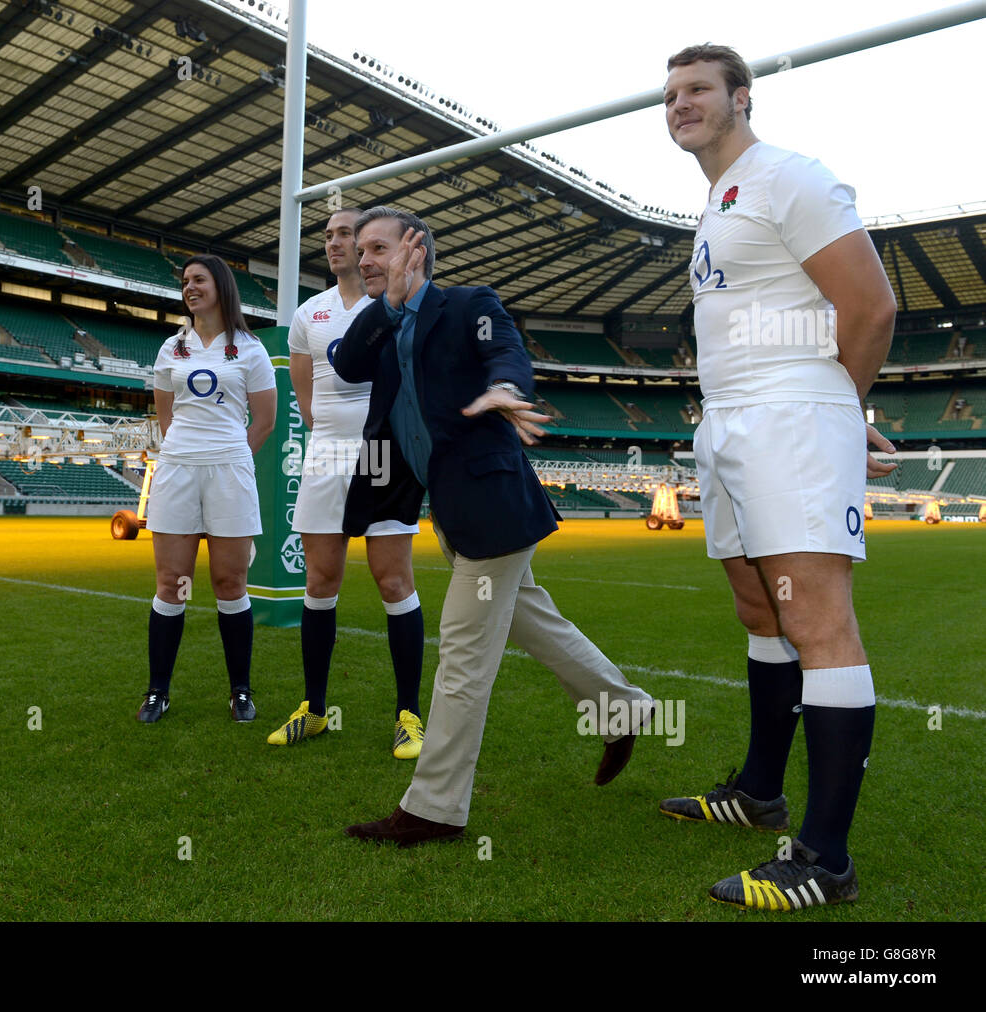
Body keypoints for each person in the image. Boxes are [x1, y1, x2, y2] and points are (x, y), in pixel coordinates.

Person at [660, 44, 897, 909]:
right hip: (728, 419)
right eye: (671, 94)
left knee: (818, 621)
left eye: (697, 90)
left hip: (789, 415)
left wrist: (835, 415)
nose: (679, 104)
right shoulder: (716, 200)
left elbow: (870, 307)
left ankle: (825, 860)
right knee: (759, 606)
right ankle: (760, 792)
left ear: (741, 97)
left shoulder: (789, 176)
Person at [335, 206, 654, 847]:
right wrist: (390, 306)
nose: (361, 258)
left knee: (462, 653)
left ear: (415, 248)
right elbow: (345, 364)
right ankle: (626, 711)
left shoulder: (468, 305)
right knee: (536, 622)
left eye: (377, 247)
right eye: (357, 248)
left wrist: (505, 385)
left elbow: (502, 349)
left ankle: (434, 807)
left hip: (496, 509)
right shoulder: (380, 321)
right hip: (451, 512)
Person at [268, 206, 426, 758]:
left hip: (383, 453)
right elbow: (306, 400)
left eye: (349, 236)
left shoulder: (398, 303)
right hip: (327, 453)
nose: (338, 245)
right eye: (331, 236)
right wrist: (331, 443)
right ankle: (314, 710)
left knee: (392, 581)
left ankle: (409, 716)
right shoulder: (309, 314)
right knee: (320, 581)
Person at [139, 254, 277, 723]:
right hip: (177, 469)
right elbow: (165, 416)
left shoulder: (251, 349)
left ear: (220, 285)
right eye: (185, 282)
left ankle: (240, 691)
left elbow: (265, 421)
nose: (189, 288)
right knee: (172, 585)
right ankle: (158, 691)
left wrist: (231, 457)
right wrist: (187, 454)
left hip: (230, 473)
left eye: (198, 279)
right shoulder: (170, 348)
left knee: (229, 582)